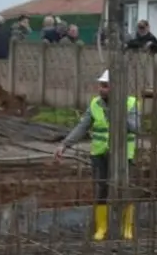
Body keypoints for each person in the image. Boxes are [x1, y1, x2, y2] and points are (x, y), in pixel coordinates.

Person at [55, 70, 140, 241]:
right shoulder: (95, 104)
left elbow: (135, 127)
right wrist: (65, 144)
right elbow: (82, 126)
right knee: (101, 189)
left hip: (123, 156)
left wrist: (118, 113)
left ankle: (126, 229)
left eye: (105, 86)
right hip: (100, 154)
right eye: (101, 86)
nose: (102, 89)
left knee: (124, 189)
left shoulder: (130, 103)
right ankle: (102, 228)